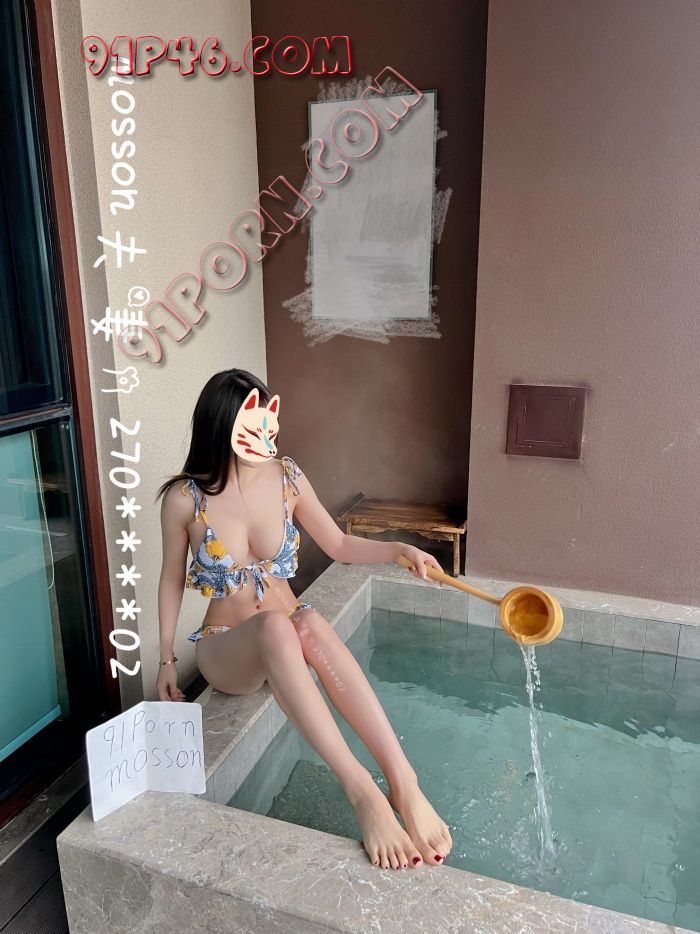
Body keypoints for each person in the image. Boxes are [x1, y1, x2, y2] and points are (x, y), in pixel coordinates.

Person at [155, 368, 453, 870]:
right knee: (278, 625)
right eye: (252, 423)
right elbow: (169, 579)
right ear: (223, 425)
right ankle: (362, 792)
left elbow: (337, 543)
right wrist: (166, 659)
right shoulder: (186, 498)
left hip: (290, 633)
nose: (265, 434)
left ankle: (404, 782)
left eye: (267, 422)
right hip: (230, 648)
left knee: (306, 621)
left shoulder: (287, 476)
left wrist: (399, 549)